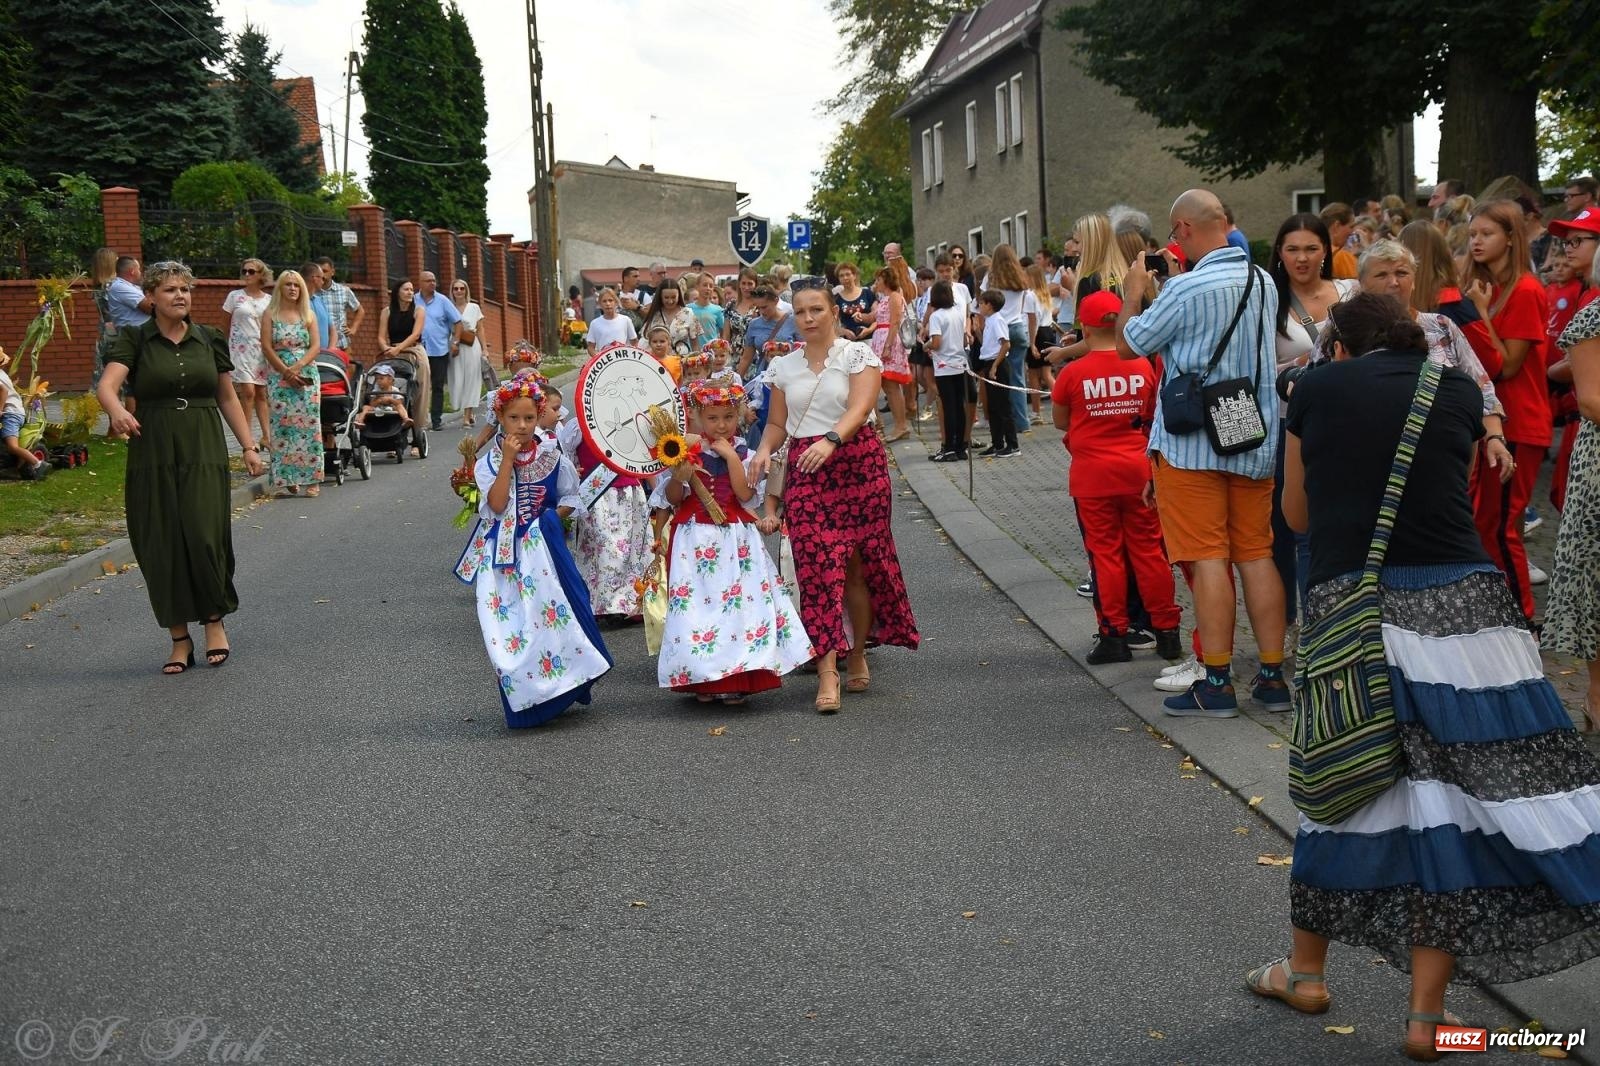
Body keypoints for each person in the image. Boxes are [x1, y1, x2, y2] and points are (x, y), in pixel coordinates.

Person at [1253, 290, 1600, 1060]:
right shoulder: (1453, 388)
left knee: (1340, 779)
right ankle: (1427, 1016)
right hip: (1465, 612)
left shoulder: (1313, 388)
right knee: (1458, 804)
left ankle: (1305, 972)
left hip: (1359, 609)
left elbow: (1300, 516)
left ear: (1339, 344)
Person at [1114, 189, 1287, 717]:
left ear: (1185, 229)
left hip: (1191, 443)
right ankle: (1273, 676)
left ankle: (1216, 682)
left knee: (1209, 558)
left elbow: (1129, 344)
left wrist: (1135, 290)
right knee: (1256, 554)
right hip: (1249, 430)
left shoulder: (1186, 288)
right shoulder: (1264, 282)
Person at [751, 277, 920, 712]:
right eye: (801, 312)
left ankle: (858, 652)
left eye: (817, 310)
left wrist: (831, 440)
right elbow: (775, 424)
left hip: (857, 465)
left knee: (858, 571)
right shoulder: (783, 367)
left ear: (834, 312)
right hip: (808, 470)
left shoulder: (856, 354)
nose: (808, 319)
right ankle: (828, 671)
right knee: (817, 572)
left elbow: (861, 408)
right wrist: (765, 452)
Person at [96, 261, 266, 672]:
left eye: (185, 290)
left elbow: (227, 398)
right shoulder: (136, 339)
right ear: (151, 297)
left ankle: (213, 623)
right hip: (152, 450)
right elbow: (107, 386)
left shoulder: (208, 338)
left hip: (203, 446)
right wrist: (117, 411)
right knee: (161, 541)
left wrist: (248, 446)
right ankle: (178, 639)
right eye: (170, 290)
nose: (180, 296)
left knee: (205, 534)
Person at [454, 376, 612, 729]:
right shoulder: (488, 464)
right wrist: (508, 460)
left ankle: (566, 686)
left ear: (539, 416)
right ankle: (531, 699)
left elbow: (571, 496)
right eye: (513, 418)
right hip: (504, 559)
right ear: (500, 417)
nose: (522, 426)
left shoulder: (551, 454)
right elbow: (495, 505)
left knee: (556, 617)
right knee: (516, 627)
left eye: (529, 417)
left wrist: (550, 522)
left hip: (543, 552)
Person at [655, 380, 813, 704]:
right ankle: (702, 676)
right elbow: (671, 499)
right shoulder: (683, 448)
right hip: (694, 537)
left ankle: (739, 673)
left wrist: (729, 457)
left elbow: (744, 495)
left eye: (728, 416)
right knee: (698, 607)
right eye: (712, 418)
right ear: (697, 416)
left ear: (738, 415)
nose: (721, 424)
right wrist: (678, 477)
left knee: (736, 606)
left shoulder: (743, 450)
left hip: (733, 536)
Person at [1052, 290, 1180, 663]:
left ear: (1085, 328)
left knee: (1106, 557)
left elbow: (1062, 420)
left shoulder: (1073, 372)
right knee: (1150, 552)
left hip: (1093, 478)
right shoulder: (1144, 365)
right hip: (1140, 473)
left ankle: (1114, 636)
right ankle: (1167, 632)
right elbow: (1155, 413)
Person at [1457, 200, 1552, 623]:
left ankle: (1522, 619)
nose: (1476, 241)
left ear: (1511, 239)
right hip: (1491, 421)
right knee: (1485, 521)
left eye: (1486, 234)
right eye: (1472, 234)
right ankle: (1499, 614)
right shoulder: (1486, 285)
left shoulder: (1526, 290)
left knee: (1502, 526)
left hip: (1519, 421)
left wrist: (1478, 313)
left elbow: (1507, 365)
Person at [1545, 289, 1600, 732]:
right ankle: (1598, 696)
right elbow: (1590, 400)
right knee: (1596, 582)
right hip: (1598, 466)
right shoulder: (1592, 318)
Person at [259, 270, 323, 498]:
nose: (293, 289)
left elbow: (316, 346)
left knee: (309, 426)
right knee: (283, 427)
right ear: (280, 289)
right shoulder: (270, 314)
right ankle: (288, 478)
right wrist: (284, 371)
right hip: (279, 375)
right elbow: (266, 346)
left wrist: (297, 367)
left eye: (296, 285)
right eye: (288, 285)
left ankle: (312, 479)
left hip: (305, 373)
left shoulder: (308, 314)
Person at [221, 258, 273, 457]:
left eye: (251, 271)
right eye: (244, 271)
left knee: (261, 393)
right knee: (248, 392)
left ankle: (266, 436)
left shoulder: (268, 300)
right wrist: (225, 348)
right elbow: (224, 324)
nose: (247, 275)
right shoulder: (234, 296)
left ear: (261, 274)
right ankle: (247, 437)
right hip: (240, 349)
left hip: (261, 349)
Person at [986, 245, 1037, 436]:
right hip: (1017, 327)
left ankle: (1004, 422)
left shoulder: (991, 278)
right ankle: (1022, 421)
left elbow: (983, 301)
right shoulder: (1021, 277)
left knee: (998, 378)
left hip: (999, 329)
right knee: (1017, 378)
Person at [378, 277, 427, 455]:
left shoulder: (418, 311)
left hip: (414, 352)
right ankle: (393, 436)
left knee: (416, 395)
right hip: (392, 354)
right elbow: (381, 336)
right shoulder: (387, 312)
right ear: (397, 291)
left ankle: (416, 438)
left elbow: (415, 335)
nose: (410, 293)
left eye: (412, 290)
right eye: (406, 289)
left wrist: (398, 348)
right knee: (391, 391)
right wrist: (386, 348)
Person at [924, 280, 971, 462]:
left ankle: (949, 448)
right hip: (960, 363)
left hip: (944, 367)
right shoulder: (958, 313)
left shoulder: (936, 317)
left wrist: (927, 345)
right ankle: (960, 446)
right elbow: (964, 339)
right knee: (959, 407)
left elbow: (936, 343)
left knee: (949, 407)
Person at [869, 266, 914, 441]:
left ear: (886, 280)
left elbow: (895, 322)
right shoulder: (885, 298)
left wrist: (887, 346)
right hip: (881, 340)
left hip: (889, 341)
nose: (876, 283)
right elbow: (877, 317)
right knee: (888, 386)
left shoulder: (895, 297)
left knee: (892, 386)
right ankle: (899, 425)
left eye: (878, 279)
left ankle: (901, 425)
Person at [414, 271, 462, 431]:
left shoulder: (442, 301)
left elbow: (458, 321)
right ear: (420, 282)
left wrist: (455, 341)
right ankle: (420, 418)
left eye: (434, 280)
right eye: (428, 280)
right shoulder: (414, 300)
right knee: (419, 386)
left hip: (439, 350)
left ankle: (436, 419)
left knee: (438, 385)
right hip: (418, 351)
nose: (432, 283)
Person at [974, 289, 1019, 457]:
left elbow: (1005, 344)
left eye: (982, 303)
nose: (979, 306)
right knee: (992, 407)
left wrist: (994, 366)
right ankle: (997, 443)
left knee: (1003, 406)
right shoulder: (989, 321)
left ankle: (1013, 444)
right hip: (989, 362)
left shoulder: (998, 320)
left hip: (997, 365)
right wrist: (978, 332)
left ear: (989, 306)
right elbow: (988, 345)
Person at [448, 279, 486, 427]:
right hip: (455, 346)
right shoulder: (449, 307)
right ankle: (466, 412)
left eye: (461, 289)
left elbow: (480, 329)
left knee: (471, 379)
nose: (458, 291)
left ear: (466, 290)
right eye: (455, 289)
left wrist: (485, 349)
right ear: (452, 291)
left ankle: (467, 414)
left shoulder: (474, 307)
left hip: (471, 345)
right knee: (457, 378)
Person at [1, 363, 47, 479]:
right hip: (15, 411)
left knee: (12, 446)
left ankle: (38, 464)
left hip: (11, 414)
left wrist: (0, 409)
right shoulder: (2, 374)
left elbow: (4, 391)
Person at [317, 257, 364, 351]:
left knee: (348, 365)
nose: (322, 275)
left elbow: (360, 310)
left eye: (325, 271)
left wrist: (353, 328)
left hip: (341, 344)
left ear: (332, 272)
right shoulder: (312, 292)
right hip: (318, 346)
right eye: (319, 272)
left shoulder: (344, 291)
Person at [641, 277, 699, 355]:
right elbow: (645, 341)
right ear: (661, 297)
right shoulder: (654, 314)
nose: (670, 301)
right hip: (659, 361)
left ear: (679, 295)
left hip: (682, 360)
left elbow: (695, 344)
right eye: (666, 297)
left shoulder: (688, 313)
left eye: (673, 297)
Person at [354, 364, 411, 429]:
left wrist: (390, 400)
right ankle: (360, 421)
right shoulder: (376, 390)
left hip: (391, 408)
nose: (378, 381)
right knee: (365, 407)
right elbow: (372, 404)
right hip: (378, 408)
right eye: (377, 379)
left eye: (381, 378)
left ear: (390, 379)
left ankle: (405, 419)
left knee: (400, 407)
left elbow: (399, 402)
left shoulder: (395, 390)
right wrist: (378, 399)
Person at [586, 287, 638, 356]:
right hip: (605, 363)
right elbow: (590, 347)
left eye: (610, 300)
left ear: (616, 302)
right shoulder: (594, 323)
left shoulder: (626, 320)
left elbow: (634, 342)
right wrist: (598, 358)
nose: (608, 304)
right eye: (604, 301)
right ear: (600, 304)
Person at [832, 262, 876, 344]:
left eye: (848, 274)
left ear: (854, 276)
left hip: (870, 339)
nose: (845, 278)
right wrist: (844, 332)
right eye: (841, 275)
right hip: (848, 342)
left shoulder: (867, 293)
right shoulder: (836, 299)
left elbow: (878, 317)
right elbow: (832, 323)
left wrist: (869, 330)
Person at [1319, 203, 1358, 279]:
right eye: (1351, 226)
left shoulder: (1313, 254)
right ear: (1337, 226)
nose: (1353, 232)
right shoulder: (1342, 258)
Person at [689, 272, 727, 348]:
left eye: (711, 286)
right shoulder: (688, 309)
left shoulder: (718, 310)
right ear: (697, 286)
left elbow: (724, 332)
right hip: (692, 353)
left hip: (712, 352)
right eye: (705, 285)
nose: (708, 288)